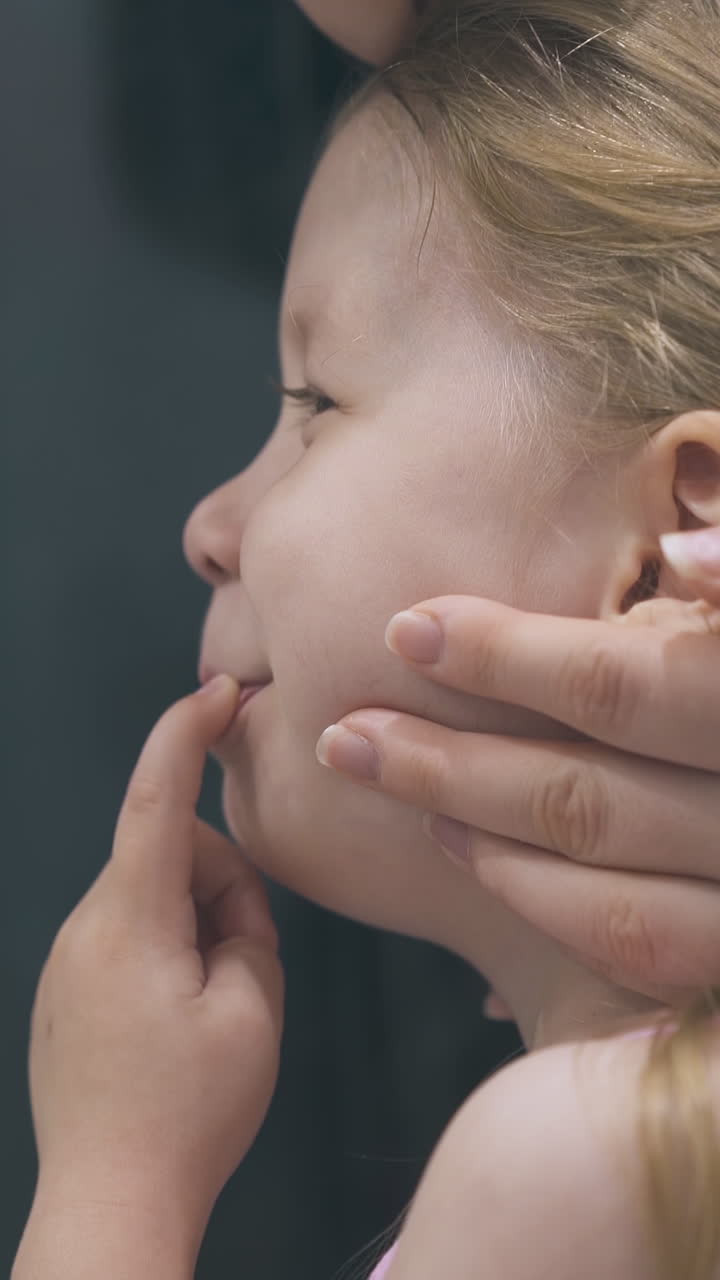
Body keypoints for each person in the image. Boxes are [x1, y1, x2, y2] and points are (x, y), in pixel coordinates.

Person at [12, 2, 720, 1278]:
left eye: (315, 402)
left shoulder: (561, 1172)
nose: (207, 525)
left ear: (676, 525)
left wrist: (114, 1177)